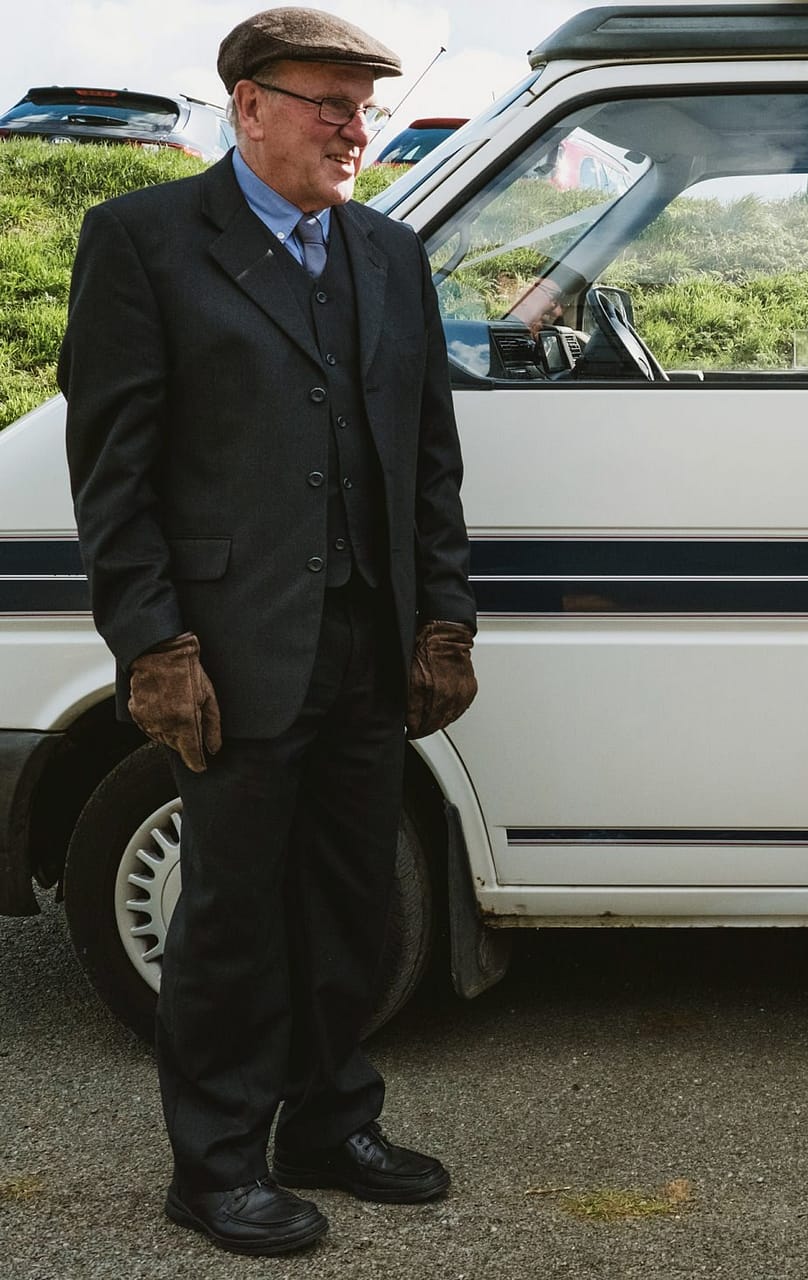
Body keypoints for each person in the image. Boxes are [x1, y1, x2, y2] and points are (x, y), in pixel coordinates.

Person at [59, 6, 478, 1256]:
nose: (356, 131)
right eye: (330, 104)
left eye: (365, 109)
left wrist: (443, 615)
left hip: (363, 643)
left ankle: (329, 1121)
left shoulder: (390, 257)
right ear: (249, 105)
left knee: (354, 907)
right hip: (228, 655)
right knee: (233, 920)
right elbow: (113, 474)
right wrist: (154, 646)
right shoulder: (142, 242)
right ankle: (217, 1162)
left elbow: (428, 462)